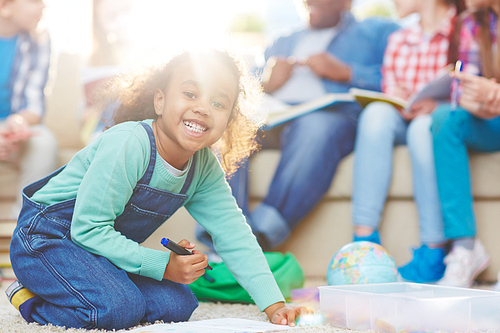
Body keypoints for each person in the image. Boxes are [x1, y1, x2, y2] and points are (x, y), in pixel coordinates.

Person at [6, 50, 310, 330]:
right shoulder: (128, 144)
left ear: (228, 121)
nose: (203, 108)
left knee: (179, 303)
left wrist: (274, 305)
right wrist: (163, 265)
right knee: (117, 309)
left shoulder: (203, 167)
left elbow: (235, 236)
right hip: (47, 240)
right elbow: (88, 229)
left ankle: (94, 289)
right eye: (190, 94)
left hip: (98, 254)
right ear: (160, 101)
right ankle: (30, 299)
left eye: (218, 103)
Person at [197, 0, 400, 251]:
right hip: (275, 114)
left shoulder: (376, 32)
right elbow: (240, 88)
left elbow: (398, 79)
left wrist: (347, 72)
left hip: (328, 115)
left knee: (315, 128)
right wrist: (266, 82)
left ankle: (258, 235)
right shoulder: (281, 40)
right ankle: (222, 232)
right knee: (231, 125)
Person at [350, 0, 465, 284]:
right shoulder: (399, 38)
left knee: (423, 128)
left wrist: (437, 103)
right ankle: (364, 245)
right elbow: (391, 86)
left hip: (434, 120)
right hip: (402, 116)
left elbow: (471, 81)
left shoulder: (462, 30)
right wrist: (397, 95)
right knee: (376, 114)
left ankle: (434, 250)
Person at [431, 0, 500, 287]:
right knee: (445, 118)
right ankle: (466, 249)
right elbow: (467, 91)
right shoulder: (474, 22)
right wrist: (480, 99)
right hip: (492, 120)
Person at [0, 0, 58, 219]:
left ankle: (24, 227)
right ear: (4, 6)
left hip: (13, 128)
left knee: (44, 143)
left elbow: (35, 105)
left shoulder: (39, 41)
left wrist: (18, 121)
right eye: (34, 1)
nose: (43, 7)